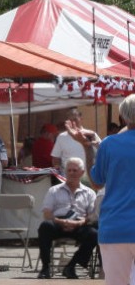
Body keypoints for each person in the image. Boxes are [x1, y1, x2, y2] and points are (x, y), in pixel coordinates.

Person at [66, 94, 135, 285]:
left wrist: (87, 147)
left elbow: (96, 182)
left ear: (123, 117)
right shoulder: (108, 144)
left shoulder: (109, 144)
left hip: (115, 227)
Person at [36, 156, 97, 279]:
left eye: (75, 170)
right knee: (45, 226)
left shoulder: (89, 193)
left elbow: (92, 215)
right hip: (58, 222)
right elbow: (47, 213)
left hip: (79, 224)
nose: (71, 173)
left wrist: (80, 223)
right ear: (65, 172)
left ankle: (71, 266)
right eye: (69, 170)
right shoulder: (54, 190)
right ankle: (45, 268)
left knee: (94, 233)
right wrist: (61, 221)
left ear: (82, 172)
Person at [52, 107, 100, 174]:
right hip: (69, 177)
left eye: (75, 119)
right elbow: (56, 158)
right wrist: (60, 173)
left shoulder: (91, 134)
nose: (73, 122)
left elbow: (101, 152)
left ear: (80, 118)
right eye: (70, 120)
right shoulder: (61, 137)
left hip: (89, 176)